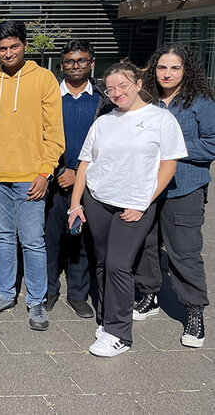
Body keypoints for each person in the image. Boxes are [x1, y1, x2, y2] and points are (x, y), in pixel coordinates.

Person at [68, 62, 186, 357]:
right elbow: (85, 163)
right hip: (97, 201)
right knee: (103, 261)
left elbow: (169, 164)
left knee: (119, 265)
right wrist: (75, 204)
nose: (117, 92)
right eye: (110, 88)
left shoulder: (161, 119)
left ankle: (119, 333)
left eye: (123, 86)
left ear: (138, 84)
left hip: (134, 205)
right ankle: (107, 318)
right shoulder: (104, 121)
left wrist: (143, 202)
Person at [0, 20, 65, 331]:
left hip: (30, 176)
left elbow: (55, 132)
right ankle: (5, 294)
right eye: (2, 48)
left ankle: (36, 301)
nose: (8, 53)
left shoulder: (44, 79)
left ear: (24, 45)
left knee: (33, 240)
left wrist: (45, 171)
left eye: (14, 46)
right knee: (4, 237)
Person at [132, 43, 215, 348]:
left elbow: (212, 143)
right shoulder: (146, 101)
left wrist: (173, 148)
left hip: (185, 189)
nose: (167, 74)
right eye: (162, 67)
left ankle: (194, 312)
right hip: (146, 189)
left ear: (186, 70)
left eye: (175, 68)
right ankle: (150, 295)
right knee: (146, 246)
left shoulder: (200, 102)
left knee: (184, 253)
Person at [44, 39, 112, 317]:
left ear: (91, 63)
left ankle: (78, 294)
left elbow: (109, 145)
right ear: (61, 65)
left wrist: (79, 174)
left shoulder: (103, 100)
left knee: (81, 239)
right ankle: (47, 292)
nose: (75, 66)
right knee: (49, 239)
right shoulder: (49, 97)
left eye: (81, 60)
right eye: (69, 61)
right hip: (52, 180)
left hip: (88, 181)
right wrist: (59, 171)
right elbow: (38, 137)